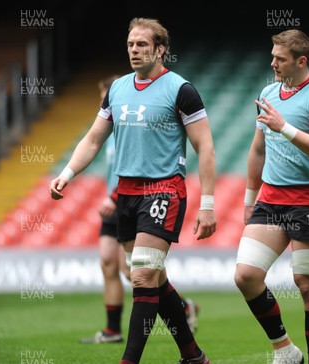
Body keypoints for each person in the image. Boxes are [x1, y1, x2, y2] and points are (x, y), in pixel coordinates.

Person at [50, 17, 216, 364]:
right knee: (153, 280)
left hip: (164, 190)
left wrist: (208, 205)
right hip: (126, 193)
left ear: (160, 50)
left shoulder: (181, 90)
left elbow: (205, 147)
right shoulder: (118, 89)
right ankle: (194, 356)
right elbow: (95, 138)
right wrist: (67, 173)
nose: (135, 51)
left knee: (141, 277)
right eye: (130, 45)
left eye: (142, 45)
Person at [234, 29, 309, 364]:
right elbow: (257, 149)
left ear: (301, 61)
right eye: (272, 56)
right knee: (246, 276)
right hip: (271, 199)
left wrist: (285, 127)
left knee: (308, 286)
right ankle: (285, 349)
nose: (273, 63)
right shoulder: (268, 93)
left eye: (279, 58)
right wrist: (250, 198)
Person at [79, 75, 200, 344]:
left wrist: (112, 196)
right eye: (102, 97)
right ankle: (113, 329)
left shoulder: (137, 125)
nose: (104, 102)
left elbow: (142, 164)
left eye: (105, 95)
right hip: (122, 202)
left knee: (137, 273)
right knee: (109, 263)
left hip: (132, 200)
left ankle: (183, 310)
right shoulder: (110, 132)